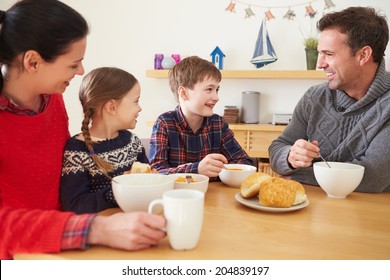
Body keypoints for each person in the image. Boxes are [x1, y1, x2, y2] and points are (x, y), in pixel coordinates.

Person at [0, 0, 165, 260]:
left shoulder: (52, 97)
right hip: (21, 255)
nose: (81, 71)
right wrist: (95, 228)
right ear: (33, 62)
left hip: (66, 245)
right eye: (73, 64)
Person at [269, 6, 390, 193]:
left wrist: (296, 175)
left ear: (363, 55)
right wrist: (290, 158)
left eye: (329, 54)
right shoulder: (314, 97)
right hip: (312, 211)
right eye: (319, 53)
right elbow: (278, 147)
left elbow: (372, 177)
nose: (319, 64)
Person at [60, 67, 149, 214]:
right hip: (102, 231)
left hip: (135, 223)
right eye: (136, 101)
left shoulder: (132, 142)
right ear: (112, 107)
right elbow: (75, 205)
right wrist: (120, 190)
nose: (139, 108)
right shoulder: (77, 151)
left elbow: (147, 184)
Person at [149, 56, 253, 179]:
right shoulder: (164, 123)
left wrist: (224, 169)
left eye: (217, 90)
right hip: (177, 196)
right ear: (183, 93)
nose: (216, 97)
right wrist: (197, 169)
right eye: (209, 89)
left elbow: (245, 163)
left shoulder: (218, 124)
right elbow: (156, 172)